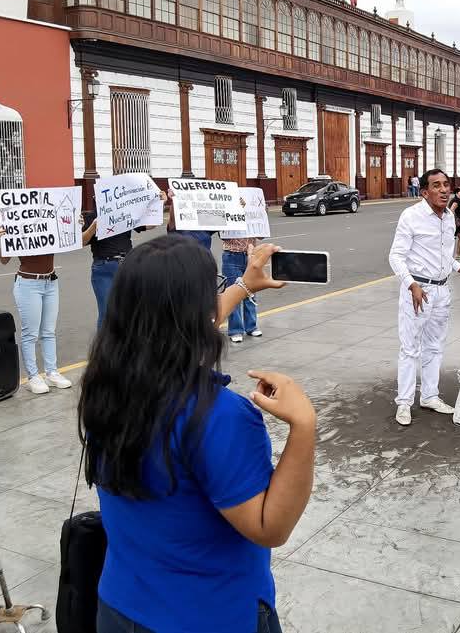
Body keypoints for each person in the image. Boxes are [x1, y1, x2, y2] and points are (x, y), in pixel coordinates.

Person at [79, 235, 313, 633]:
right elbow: (269, 528)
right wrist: (304, 426)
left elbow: (166, 328)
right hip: (211, 614)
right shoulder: (220, 416)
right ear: (199, 310)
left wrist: (241, 287)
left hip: (120, 605)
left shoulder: (107, 386)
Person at [388, 169, 460, 426]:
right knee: (410, 349)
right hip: (418, 291)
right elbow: (395, 256)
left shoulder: (449, 217)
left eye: (446, 185)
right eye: (436, 185)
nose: (443, 190)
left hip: (442, 291)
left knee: (435, 346)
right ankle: (404, 402)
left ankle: (429, 395)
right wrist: (412, 285)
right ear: (424, 192)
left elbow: (443, 257)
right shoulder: (411, 216)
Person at [0, 220, 96, 394]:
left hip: (50, 282)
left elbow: (70, 241)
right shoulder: (19, 226)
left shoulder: (49, 224)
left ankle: (51, 372)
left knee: (49, 331)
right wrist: (4, 238)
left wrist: (73, 224)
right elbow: (4, 259)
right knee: (31, 333)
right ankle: (33, 376)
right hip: (28, 283)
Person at [82, 193, 165, 329]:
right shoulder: (91, 217)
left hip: (127, 265)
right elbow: (82, 241)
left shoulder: (124, 212)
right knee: (107, 313)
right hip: (104, 267)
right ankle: (104, 349)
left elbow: (149, 225)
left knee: (131, 311)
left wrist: (160, 203)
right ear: (95, 198)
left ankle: (128, 347)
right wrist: (93, 226)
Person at [220, 234, 263, 344]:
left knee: (250, 291)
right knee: (234, 294)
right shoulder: (229, 216)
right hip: (232, 255)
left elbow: (261, 236)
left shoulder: (252, 217)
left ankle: (251, 326)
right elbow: (224, 235)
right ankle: (235, 330)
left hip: (251, 254)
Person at [449, 188, 460, 260]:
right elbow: (451, 210)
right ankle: (456, 254)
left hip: (455, 222)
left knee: (459, 237)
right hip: (456, 223)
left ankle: (457, 254)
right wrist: (456, 220)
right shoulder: (456, 201)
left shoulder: (456, 200)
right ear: (456, 193)